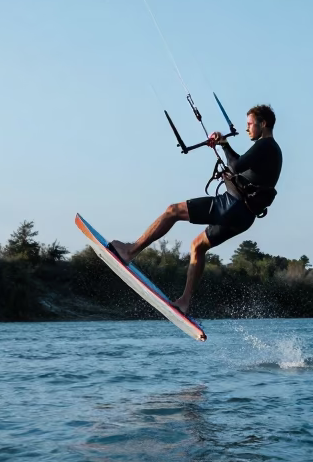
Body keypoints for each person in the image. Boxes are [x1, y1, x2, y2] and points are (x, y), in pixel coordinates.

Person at [109, 104, 283, 315]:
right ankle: (184, 302)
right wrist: (223, 146)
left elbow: (236, 166)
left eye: (250, 124)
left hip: (231, 206)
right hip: (244, 217)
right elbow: (242, 167)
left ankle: (130, 251)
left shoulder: (265, 145)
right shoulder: (272, 150)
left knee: (172, 211)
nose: (247, 128)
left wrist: (224, 145)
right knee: (197, 246)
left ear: (263, 124)